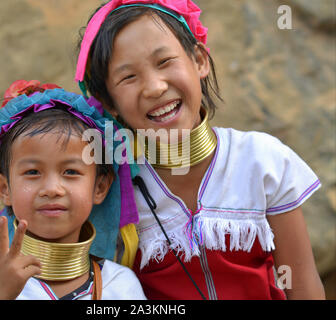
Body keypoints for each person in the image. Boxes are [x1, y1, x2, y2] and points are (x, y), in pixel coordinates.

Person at [74, 0, 325, 300]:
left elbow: (304, 286)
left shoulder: (261, 161)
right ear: (110, 103)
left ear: (199, 61)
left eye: (164, 61)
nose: (154, 87)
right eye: (128, 77)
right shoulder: (115, 190)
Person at [0, 80, 146, 300]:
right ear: (4, 188)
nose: (51, 189)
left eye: (70, 172)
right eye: (32, 172)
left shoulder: (118, 287)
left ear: (100, 187)